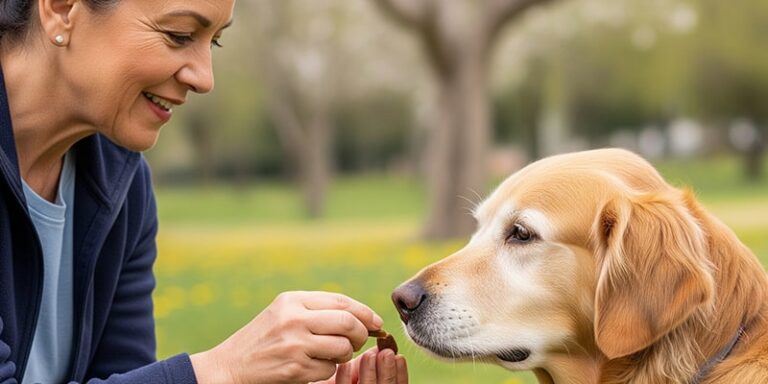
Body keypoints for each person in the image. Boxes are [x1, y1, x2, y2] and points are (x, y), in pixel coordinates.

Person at [0, 0, 408, 383]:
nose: (204, 78)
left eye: (213, 41)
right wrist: (225, 369)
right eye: (179, 35)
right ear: (61, 9)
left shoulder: (123, 186)